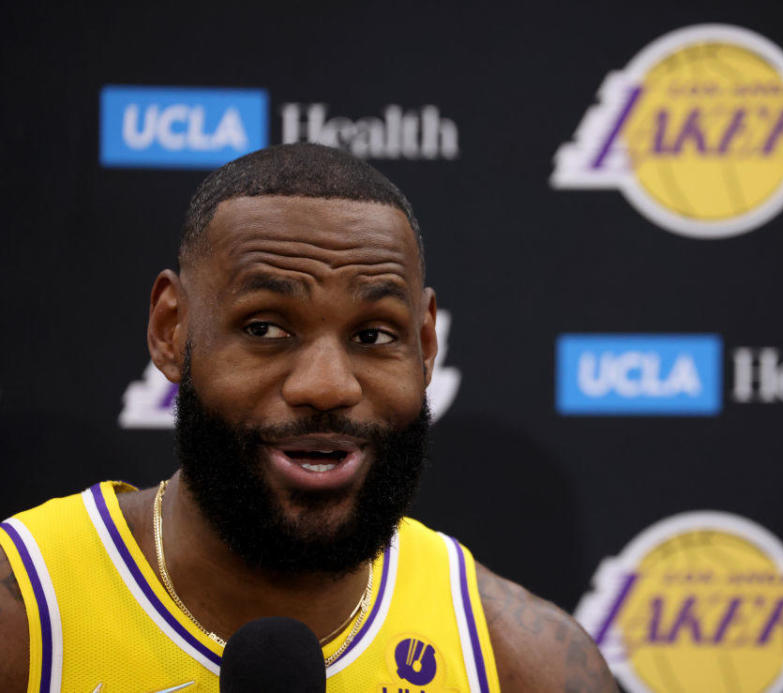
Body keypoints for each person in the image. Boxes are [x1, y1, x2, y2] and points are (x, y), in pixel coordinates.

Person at [0, 144, 618, 692]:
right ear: (171, 331)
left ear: (426, 347)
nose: (326, 386)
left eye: (374, 335)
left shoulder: (520, 662)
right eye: (264, 327)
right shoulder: (24, 616)